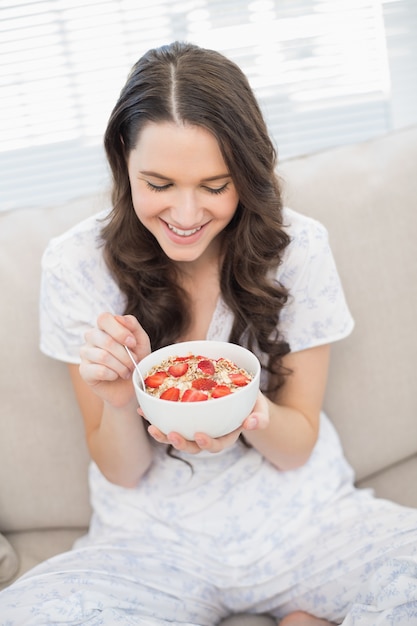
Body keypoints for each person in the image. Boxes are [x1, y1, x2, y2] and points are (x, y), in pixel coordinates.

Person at [0, 41, 416, 626]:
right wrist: (120, 402)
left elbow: (297, 446)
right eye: (160, 184)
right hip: (152, 547)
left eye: (215, 186)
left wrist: (249, 415)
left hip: (305, 525)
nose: (188, 214)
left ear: (246, 174)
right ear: (123, 158)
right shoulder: (75, 264)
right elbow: (122, 469)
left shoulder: (298, 249)